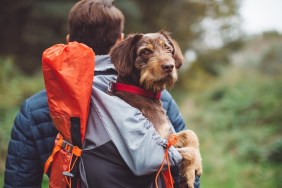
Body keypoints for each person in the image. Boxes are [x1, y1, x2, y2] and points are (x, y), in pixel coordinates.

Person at [4, 0, 200, 187]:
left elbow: (19, 182)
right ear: (121, 41)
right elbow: (186, 172)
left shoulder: (35, 108)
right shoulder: (157, 96)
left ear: (68, 42)